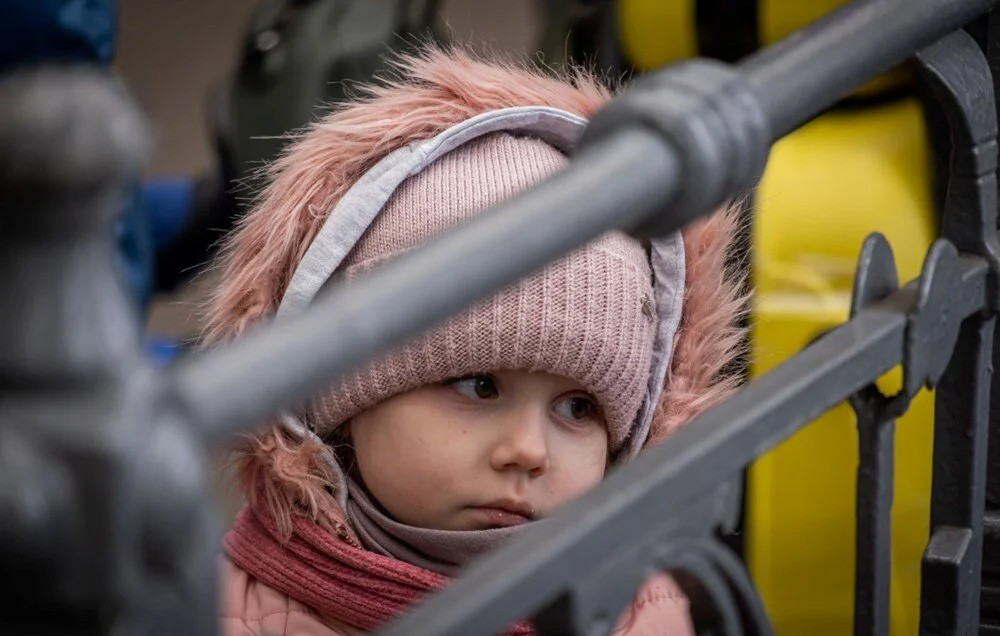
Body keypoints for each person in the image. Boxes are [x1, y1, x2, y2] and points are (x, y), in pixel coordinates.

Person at [207, 44, 747, 635]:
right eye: (478, 385)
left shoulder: (635, 611)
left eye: (577, 408)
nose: (529, 451)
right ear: (340, 394)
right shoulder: (227, 611)